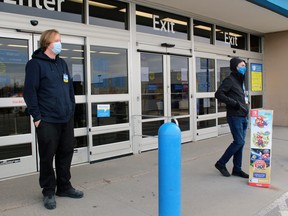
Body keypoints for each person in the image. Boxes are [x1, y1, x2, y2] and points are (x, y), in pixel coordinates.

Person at [23, 29, 83, 210]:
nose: (60, 43)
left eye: (60, 40)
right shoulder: (35, 64)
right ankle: (49, 191)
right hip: (47, 120)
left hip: (66, 118)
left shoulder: (62, 64)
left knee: (66, 153)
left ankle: (64, 187)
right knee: (47, 157)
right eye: (57, 40)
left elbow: (69, 89)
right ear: (47, 43)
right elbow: (29, 92)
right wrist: (37, 117)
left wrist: (71, 108)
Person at [214, 57, 249, 179]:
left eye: (245, 65)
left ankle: (237, 169)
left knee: (241, 143)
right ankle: (221, 163)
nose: (244, 67)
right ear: (235, 67)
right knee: (238, 142)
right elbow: (218, 94)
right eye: (242, 65)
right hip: (235, 116)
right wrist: (234, 103)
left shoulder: (240, 81)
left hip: (243, 116)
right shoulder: (230, 80)